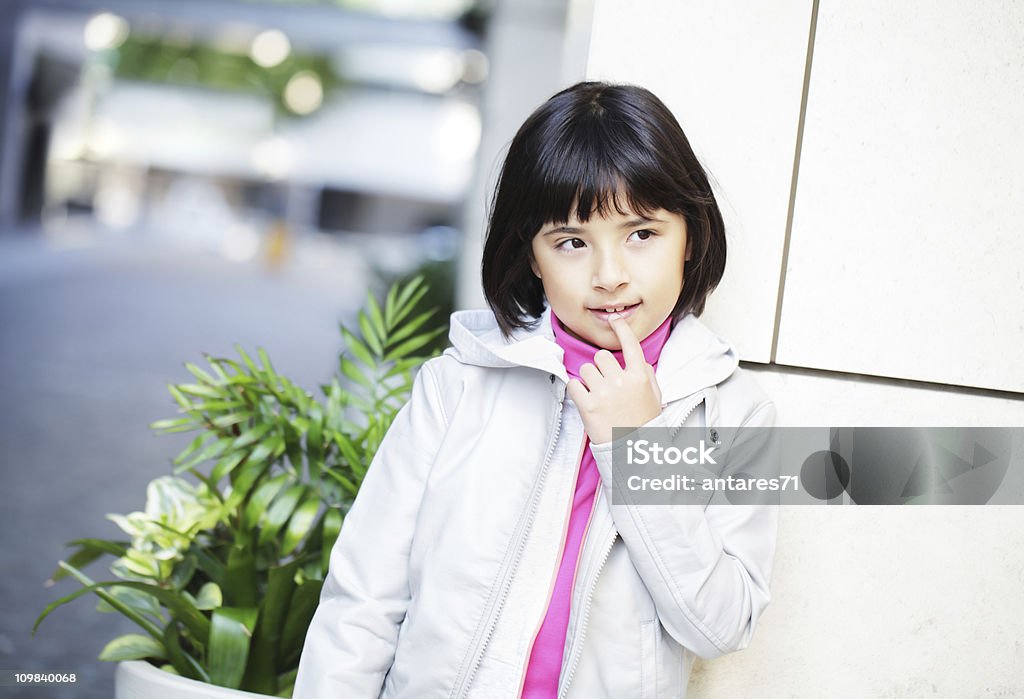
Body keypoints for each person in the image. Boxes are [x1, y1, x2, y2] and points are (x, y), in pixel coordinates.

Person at [294, 81, 778, 698]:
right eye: (572, 242)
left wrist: (640, 445)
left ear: (690, 236)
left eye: (641, 234)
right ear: (532, 256)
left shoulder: (737, 418)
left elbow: (722, 625)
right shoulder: (457, 387)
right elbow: (360, 605)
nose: (609, 276)